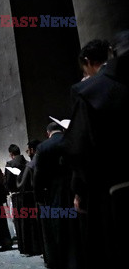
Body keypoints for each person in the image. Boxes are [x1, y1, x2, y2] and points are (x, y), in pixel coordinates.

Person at [63, 30, 129, 268]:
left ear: (88, 63)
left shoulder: (89, 91)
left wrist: (78, 189)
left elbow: (80, 147)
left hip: (112, 190)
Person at [34, 121, 82, 269]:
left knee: (58, 228)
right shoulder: (72, 140)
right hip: (75, 190)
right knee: (77, 227)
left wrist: (39, 196)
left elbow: (38, 175)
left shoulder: (43, 147)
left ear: (48, 133)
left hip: (54, 193)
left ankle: (60, 260)